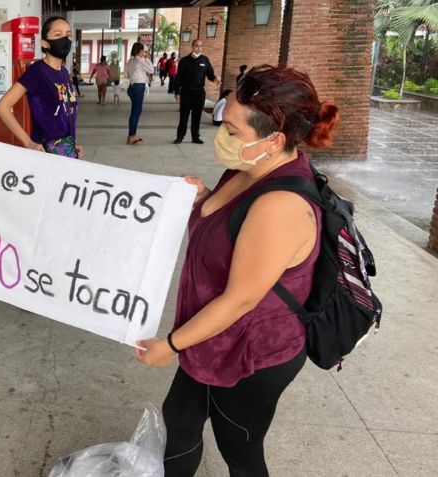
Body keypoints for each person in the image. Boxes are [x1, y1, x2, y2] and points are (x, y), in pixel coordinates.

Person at [135, 65, 340, 477]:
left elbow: (240, 298)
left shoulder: (279, 206)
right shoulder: (248, 168)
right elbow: (232, 228)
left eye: (232, 129)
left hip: (251, 353)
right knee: (179, 420)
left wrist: (171, 345)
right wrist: (206, 199)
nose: (221, 136)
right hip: (211, 336)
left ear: (274, 140)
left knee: (240, 450)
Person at [0, 16, 81, 159]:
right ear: (45, 43)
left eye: (68, 35)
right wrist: (28, 143)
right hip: (46, 153)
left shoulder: (64, 72)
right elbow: (2, 107)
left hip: (65, 151)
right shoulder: (37, 71)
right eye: (58, 34)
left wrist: (71, 145)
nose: (65, 39)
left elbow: (65, 112)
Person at [174, 40, 220, 145]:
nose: (199, 48)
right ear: (192, 47)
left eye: (200, 46)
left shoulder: (205, 60)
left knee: (197, 116)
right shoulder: (184, 61)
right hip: (186, 92)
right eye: (196, 46)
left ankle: (195, 137)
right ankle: (180, 137)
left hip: (199, 93)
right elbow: (179, 78)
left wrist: (215, 79)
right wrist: (177, 92)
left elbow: (210, 74)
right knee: (184, 116)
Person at [126, 42, 154, 145]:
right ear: (140, 51)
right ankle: (132, 136)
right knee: (136, 112)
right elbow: (151, 70)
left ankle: (131, 135)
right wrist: (147, 59)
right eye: (143, 50)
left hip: (132, 87)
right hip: (138, 87)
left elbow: (128, 75)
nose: (144, 52)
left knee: (134, 111)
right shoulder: (140, 61)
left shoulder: (130, 61)